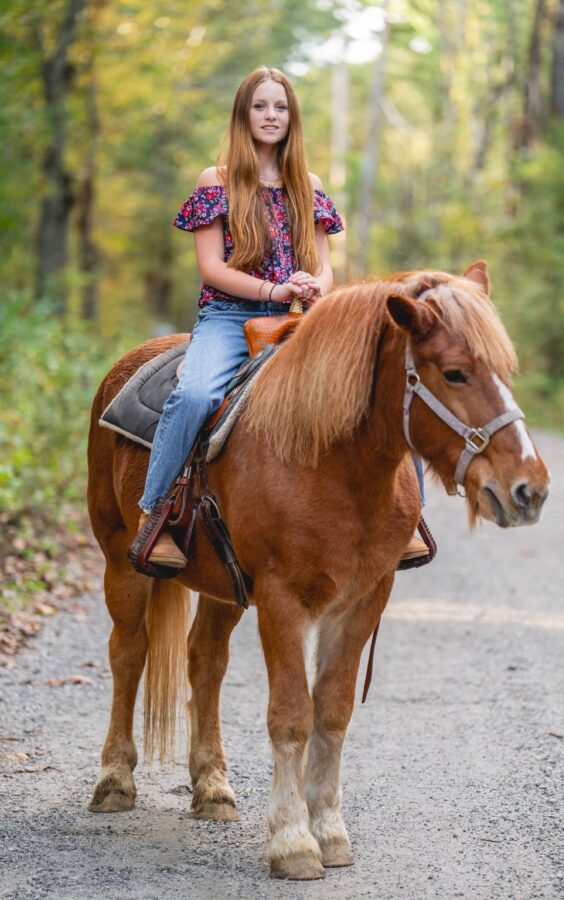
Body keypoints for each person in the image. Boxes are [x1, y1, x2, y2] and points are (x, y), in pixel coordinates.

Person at [133, 66, 428, 569]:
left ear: (292, 117)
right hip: (229, 317)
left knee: (384, 387)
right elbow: (211, 268)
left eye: (281, 107)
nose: (271, 116)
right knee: (197, 393)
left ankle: (409, 516)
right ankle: (156, 514)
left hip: (299, 317)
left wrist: (316, 286)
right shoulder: (217, 181)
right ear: (243, 114)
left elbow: (324, 264)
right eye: (260, 106)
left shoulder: (306, 186)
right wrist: (274, 286)